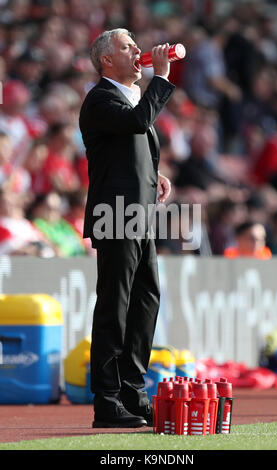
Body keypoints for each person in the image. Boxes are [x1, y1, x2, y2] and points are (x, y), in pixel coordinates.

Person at [79, 28, 175, 428]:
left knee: (144, 301)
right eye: (126, 45)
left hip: (138, 216)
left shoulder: (129, 96)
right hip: (114, 215)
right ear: (106, 59)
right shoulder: (101, 97)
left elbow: (133, 142)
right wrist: (163, 78)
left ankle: (134, 390)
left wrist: (155, 173)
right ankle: (107, 398)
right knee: (115, 308)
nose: (138, 49)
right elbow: (138, 123)